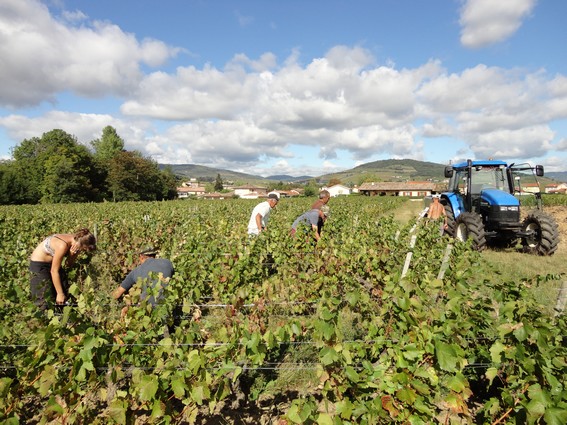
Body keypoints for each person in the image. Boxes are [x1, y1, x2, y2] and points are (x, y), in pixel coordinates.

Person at [29, 228, 97, 310]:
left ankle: (61, 314)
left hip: (52, 263)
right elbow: (54, 271)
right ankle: (45, 319)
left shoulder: (77, 241)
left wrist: (72, 255)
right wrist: (60, 294)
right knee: (45, 296)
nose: (83, 251)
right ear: (80, 244)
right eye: (84, 249)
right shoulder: (62, 245)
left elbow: (67, 265)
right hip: (39, 265)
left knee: (64, 287)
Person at [112, 247, 174, 315]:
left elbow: (117, 294)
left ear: (141, 257)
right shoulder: (167, 263)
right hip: (169, 309)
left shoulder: (136, 271)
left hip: (148, 312)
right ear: (154, 255)